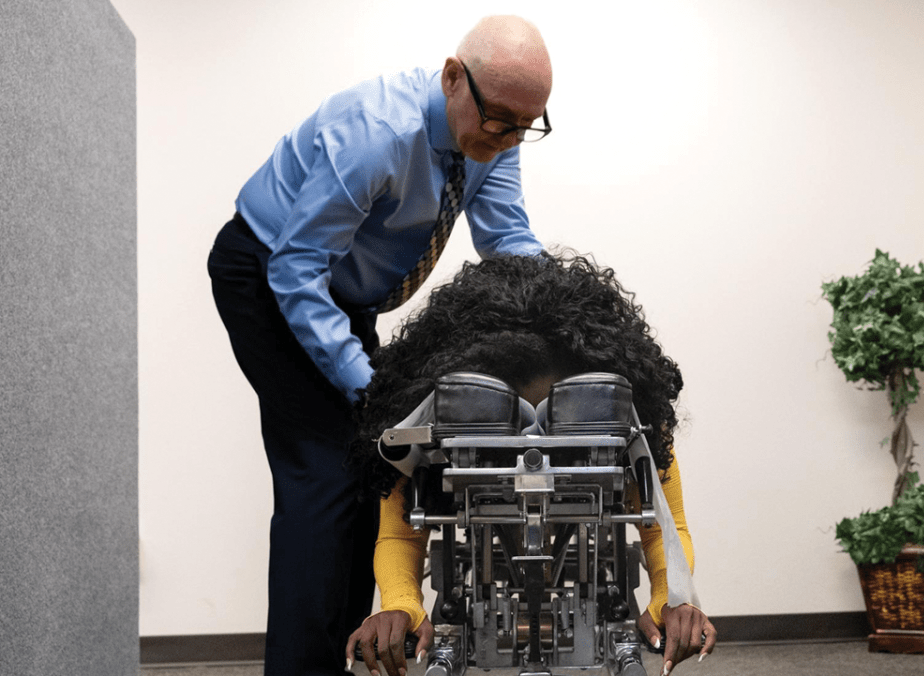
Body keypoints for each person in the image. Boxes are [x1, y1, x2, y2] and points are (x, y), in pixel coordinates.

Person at [206, 16, 553, 676]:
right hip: (269, 276)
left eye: (524, 127)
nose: (507, 140)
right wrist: (366, 385)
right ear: (454, 78)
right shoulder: (376, 133)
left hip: (341, 295)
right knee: (326, 477)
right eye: (500, 122)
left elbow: (507, 241)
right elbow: (295, 267)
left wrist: (561, 319)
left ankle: (333, 659)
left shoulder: (493, 134)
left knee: (371, 473)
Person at [345, 253, 718, 676]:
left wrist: (672, 598)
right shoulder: (428, 422)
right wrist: (399, 604)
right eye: (514, 418)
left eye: (553, 415)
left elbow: (665, 529)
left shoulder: (632, 424)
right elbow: (399, 535)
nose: (532, 443)